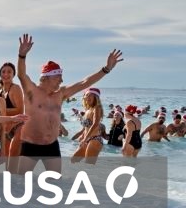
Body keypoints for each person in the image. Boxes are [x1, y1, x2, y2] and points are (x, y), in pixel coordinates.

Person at [15, 33, 123, 173]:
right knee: (21, 183)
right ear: (47, 77)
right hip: (30, 144)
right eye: (58, 77)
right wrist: (22, 56)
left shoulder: (60, 94)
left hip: (51, 146)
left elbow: (84, 83)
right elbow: (21, 75)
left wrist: (106, 69)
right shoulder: (32, 91)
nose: (61, 81)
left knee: (55, 185)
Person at [0, 62, 24, 169]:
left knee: (12, 165)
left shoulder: (15, 88)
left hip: (17, 128)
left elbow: (20, 110)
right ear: (0, 74)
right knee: (7, 167)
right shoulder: (0, 90)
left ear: (13, 74)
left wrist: (0, 111)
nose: (6, 74)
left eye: (9, 72)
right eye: (3, 71)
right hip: (5, 131)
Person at [71, 88, 105, 164]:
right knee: (73, 160)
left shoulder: (97, 108)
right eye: (87, 95)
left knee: (89, 165)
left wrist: (85, 138)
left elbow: (95, 123)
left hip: (95, 139)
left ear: (96, 98)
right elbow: (86, 127)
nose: (88, 97)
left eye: (91, 95)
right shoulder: (87, 110)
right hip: (86, 140)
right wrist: (82, 136)